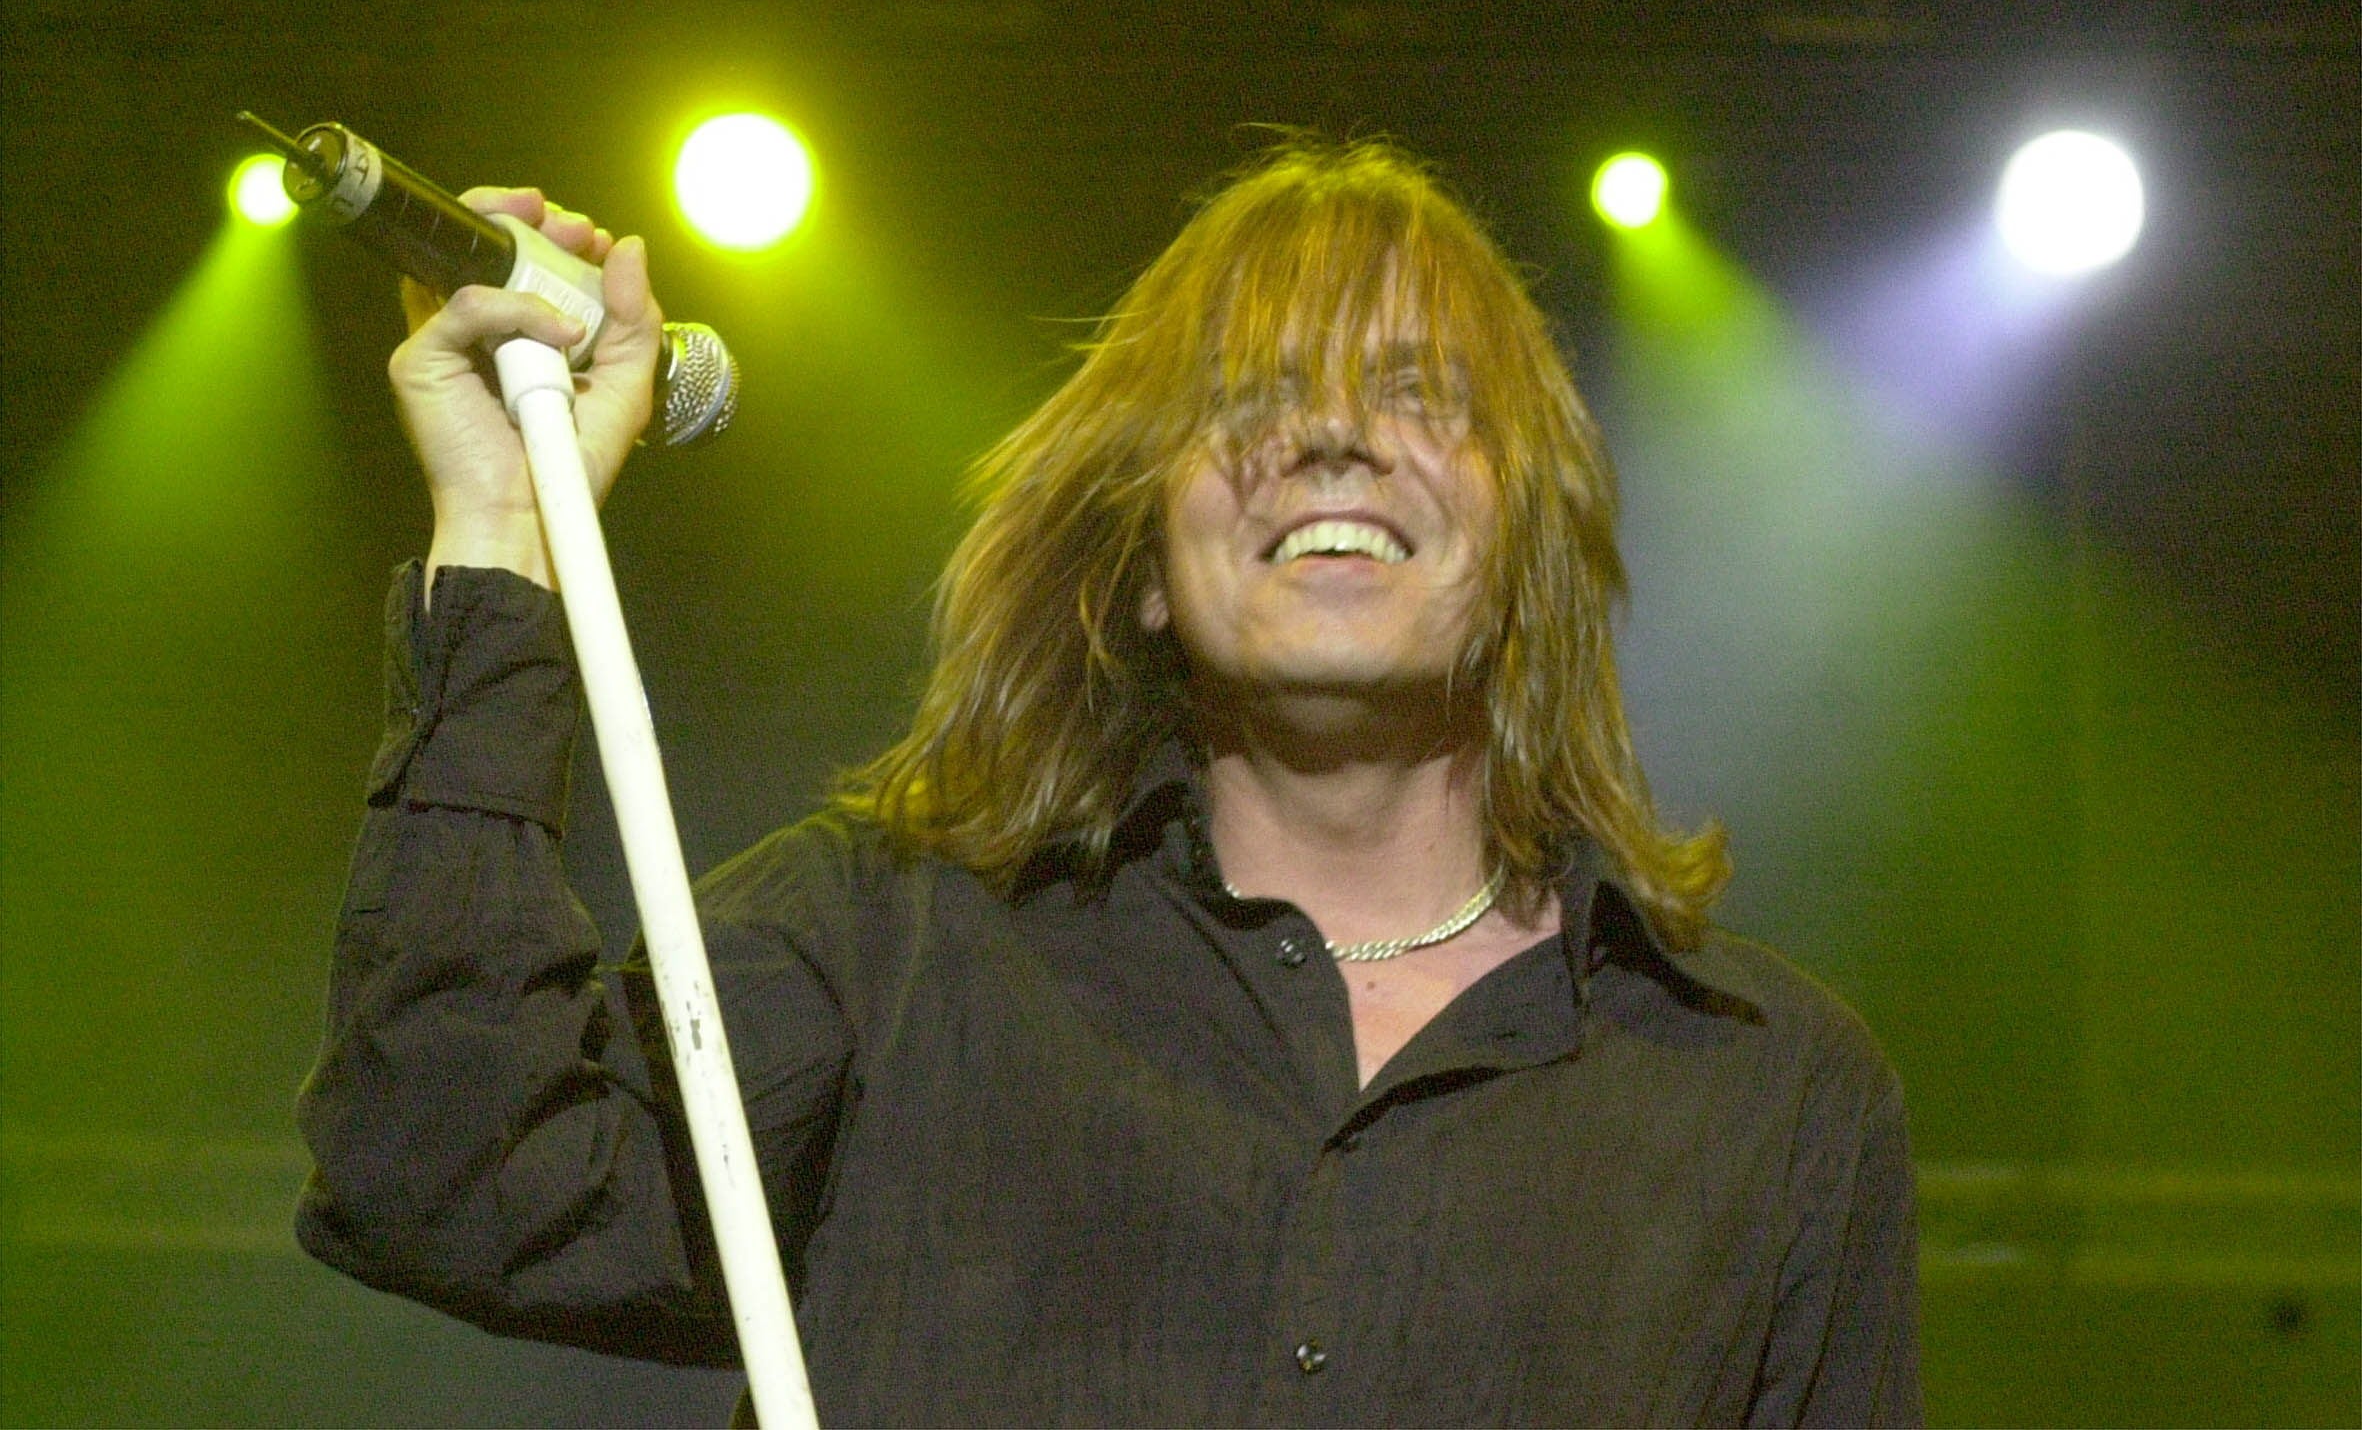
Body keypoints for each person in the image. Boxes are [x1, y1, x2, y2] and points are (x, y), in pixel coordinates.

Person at [297, 138, 1921, 1426]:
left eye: (1419, 392)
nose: (1333, 437)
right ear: (1144, 565)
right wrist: (502, 536)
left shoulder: (1767, 1095)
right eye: (1251, 400)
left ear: (1521, 544)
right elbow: (449, 1177)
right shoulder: (897, 943)